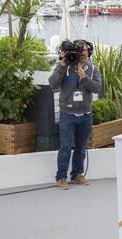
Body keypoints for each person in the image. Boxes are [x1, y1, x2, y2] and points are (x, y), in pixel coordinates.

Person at [48, 40, 102, 190]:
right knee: (65, 147)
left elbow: (97, 88)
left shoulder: (92, 70)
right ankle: (61, 177)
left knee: (81, 147)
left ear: (89, 52)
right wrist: (61, 65)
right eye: (79, 51)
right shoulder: (65, 67)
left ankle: (77, 174)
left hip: (85, 115)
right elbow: (52, 83)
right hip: (68, 114)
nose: (82, 54)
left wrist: (84, 77)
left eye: (84, 51)